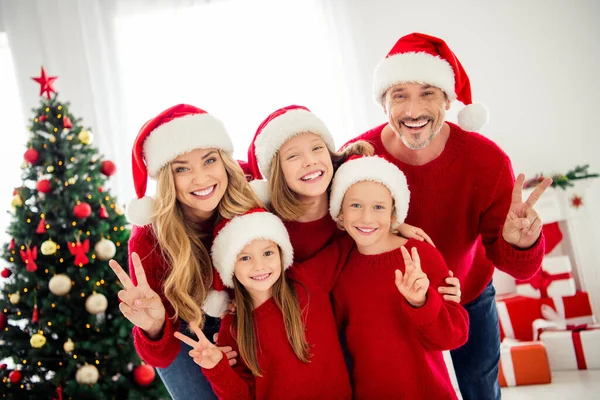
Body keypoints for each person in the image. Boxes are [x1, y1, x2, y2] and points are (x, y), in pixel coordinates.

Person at [344, 33, 552, 399]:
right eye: (400, 95)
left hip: (468, 294)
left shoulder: (486, 161)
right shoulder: (361, 158)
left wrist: (523, 243)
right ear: (383, 103)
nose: (412, 111)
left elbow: (520, 269)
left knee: (480, 387)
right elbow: (341, 235)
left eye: (427, 93)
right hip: (393, 302)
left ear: (448, 99)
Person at [108, 104, 261, 399]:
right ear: (167, 178)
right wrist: (153, 326)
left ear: (224, 160)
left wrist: (233, 333)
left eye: (209, 160)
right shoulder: (149, 238)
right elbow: (161, 356)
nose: (201, 178)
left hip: (246, 313)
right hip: (186, 330)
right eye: (182, 169)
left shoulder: (252, 196)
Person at [175, 208, 355, 399]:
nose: (259, 265)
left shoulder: (307, 280)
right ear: (231, 267)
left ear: (281, 253)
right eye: (245, 258)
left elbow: (349, 242)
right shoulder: (233, 328)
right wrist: (216, 368)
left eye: (268, 253)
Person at [329, 154, 469, 399]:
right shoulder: (341, 267)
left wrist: (421, 302)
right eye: (355, 205)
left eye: (379, 207)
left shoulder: (421, 254)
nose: (366, 217)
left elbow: (455, 335)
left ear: (394, 214)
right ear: (339, 213)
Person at [246, 104, 435, 262]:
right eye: (293, 156)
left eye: (317, 148)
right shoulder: (271, 225)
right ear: (277, 173)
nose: (310, 161)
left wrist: (394, 224)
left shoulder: (353, 193)